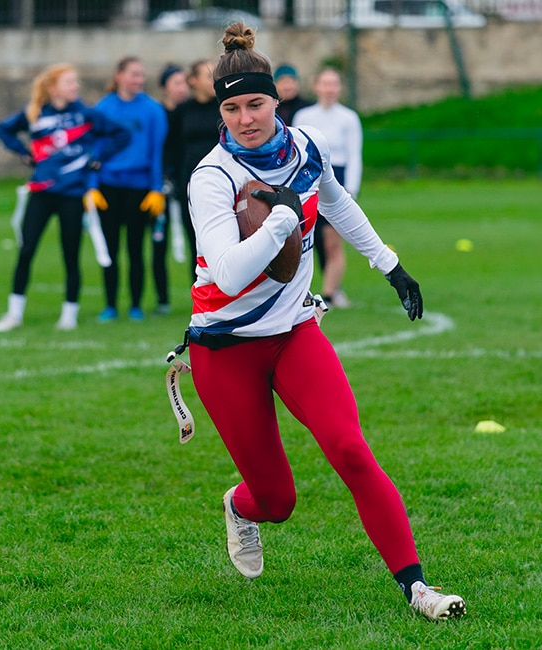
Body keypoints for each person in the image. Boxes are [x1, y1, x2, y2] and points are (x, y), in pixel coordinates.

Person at [180, 24, 465, 621]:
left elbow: (335, 200)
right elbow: (228, 275)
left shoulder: (307, 146)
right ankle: (239, 505)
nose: (245, 118)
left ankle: (418, 589)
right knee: (277, 501)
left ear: (277, 99)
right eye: (231, 107)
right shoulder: (212, 177)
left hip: (293, 335)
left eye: (255, 103)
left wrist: (390, 265)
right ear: (221, 111)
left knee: (351, 450)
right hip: (224, 348)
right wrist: (281, 223)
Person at [0, 64, 130, 331]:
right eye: (70, 82)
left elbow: (122, 134)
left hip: (73, 194)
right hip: (41, 193)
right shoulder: (34, 113)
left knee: (71, 256)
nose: (75, 87)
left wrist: (97, 160)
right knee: (26, 251)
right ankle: (14, 314)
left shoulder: (86, 114)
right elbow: (4, 129)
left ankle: (69, 315)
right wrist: (23, 153)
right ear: (53, 87)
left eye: (75, 82)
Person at [91, 56, 167, 321]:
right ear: (119, 75)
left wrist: (156, 189)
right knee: (110, 250)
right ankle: (110, 305)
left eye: (142, 75)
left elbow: (157, 152)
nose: (139, 80)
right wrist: (92, 185)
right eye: (134, 74)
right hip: (108, 188)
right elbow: (94, 150)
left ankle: (135, 305)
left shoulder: (153, 110)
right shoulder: (103, 108)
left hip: (140, 188)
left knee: (136, 249)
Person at [294, 67, 362, 308]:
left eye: (334, 83)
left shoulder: (349, 118)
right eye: (325, 83)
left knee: (333, 242)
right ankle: (301, 292)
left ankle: (330, 293)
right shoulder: (304, 116)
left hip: (338, 180)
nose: (330, 89)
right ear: (316, 86)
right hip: (310, 180)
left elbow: (354, 155)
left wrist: (351, 189)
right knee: (304, 238)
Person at [170, 59, 218, 285]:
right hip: (189, 184)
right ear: (193, 81)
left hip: (220, 182)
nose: (214, 81)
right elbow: (172, 148)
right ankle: (201, 293)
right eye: (208, 76)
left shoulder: (224, 107)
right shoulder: (182, 111)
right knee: (196, 242)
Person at [154, 63, 191, 315]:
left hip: (185, 184)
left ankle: (201, 297)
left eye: (184, 83)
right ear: (165, 86)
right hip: (159, 186)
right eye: (176, 83)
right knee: (159, 241)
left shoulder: (189, 112)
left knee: (197, 243)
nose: (182, 88)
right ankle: (162, 299)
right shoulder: (156, 112)